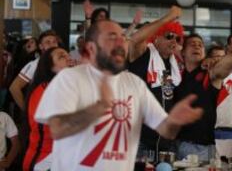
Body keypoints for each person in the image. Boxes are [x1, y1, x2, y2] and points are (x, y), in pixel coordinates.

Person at [34, 20, 202, 171]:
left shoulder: (134, 84)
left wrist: (175, 121)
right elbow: (58, 129)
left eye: (122, 37)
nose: (121, 42)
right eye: (112, 37)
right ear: (91, 47)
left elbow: (166, 130)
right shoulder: (70, 78)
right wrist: (98, 108)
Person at [175, 20, 232, 162]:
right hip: (176, 145)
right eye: (192, 44)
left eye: (200, 45)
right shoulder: (176, 76)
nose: (197, 47)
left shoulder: (211, 72)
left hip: (201, 149)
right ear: (182, 52)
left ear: (204, 53)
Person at [128, 6, 183, 157]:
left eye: (177, 38)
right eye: (169, 35)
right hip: (139, 138)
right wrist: (168, 17)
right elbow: (134, 40)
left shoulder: (175, 66)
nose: (174, 41)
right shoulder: (144, 54)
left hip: (165, 140)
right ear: (156, 38)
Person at [23, 47, 72, 171]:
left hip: (62, 156)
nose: (68, 59)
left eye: (68, 55)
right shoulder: (44, 91)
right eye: (62, 57)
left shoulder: (67, 88)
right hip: (44, 160)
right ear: (50, 67)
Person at [206, 45, 232, 160]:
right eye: (216, 56)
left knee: (230, 165)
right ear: (208, 58)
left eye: (222, 57)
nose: (220, 59)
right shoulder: (203, 76)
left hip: (227, 130)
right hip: (207, 131)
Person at [9, 30, 59, 110]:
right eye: (48, 42)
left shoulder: (62, 62)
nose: (52, 45)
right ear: (40, 46)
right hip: (42, 113)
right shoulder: (35, 64)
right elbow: (14, 88)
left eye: (54, 42)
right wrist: (27, 111)